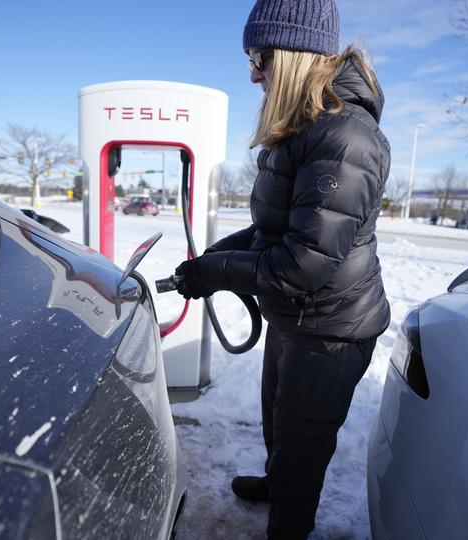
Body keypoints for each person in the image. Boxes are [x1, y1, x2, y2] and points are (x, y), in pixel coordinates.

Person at [173, 0, 391, 538]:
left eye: (260, 57)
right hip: (297, 318)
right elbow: (276, 233)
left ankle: (288, 523)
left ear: (296, 53)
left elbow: (301, 264)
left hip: (333, 331)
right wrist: (211, 259)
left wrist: (216, 273)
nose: (253, 74)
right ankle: (277, 482)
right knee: (279, 422)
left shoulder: (346, 139)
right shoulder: (303, 129)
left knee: (303, 445)